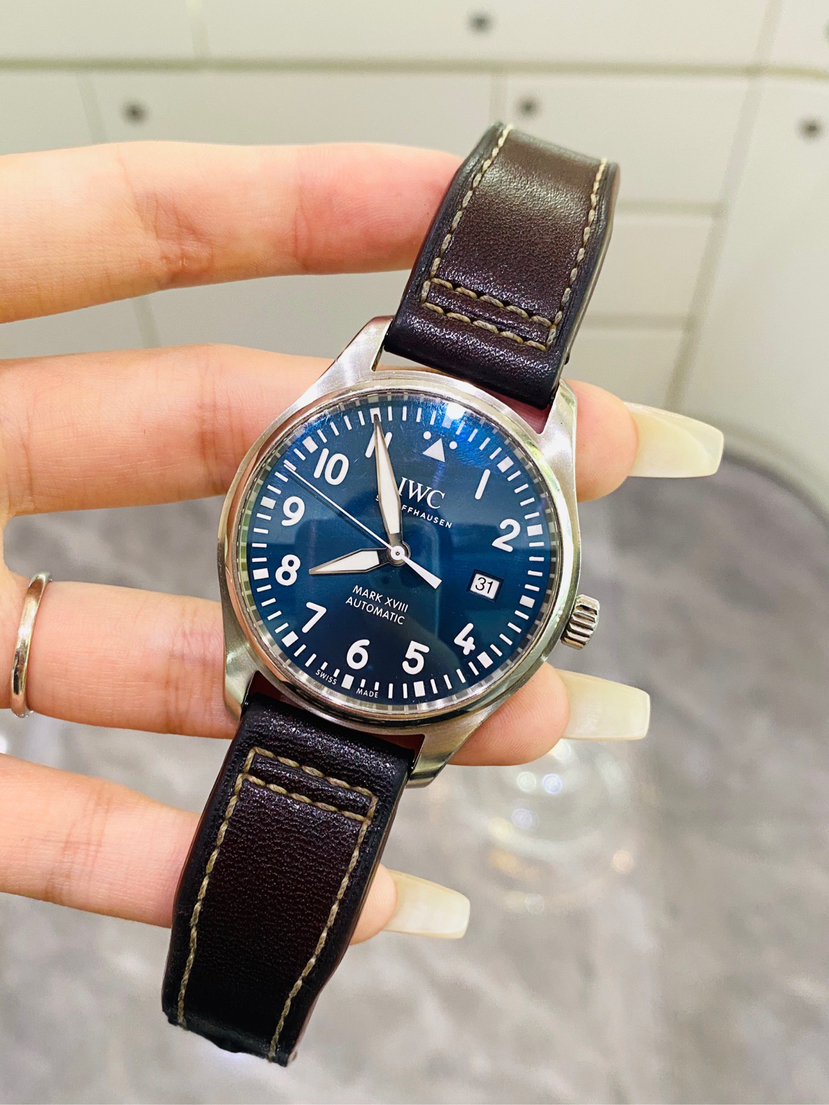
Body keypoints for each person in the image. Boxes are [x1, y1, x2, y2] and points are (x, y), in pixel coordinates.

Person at [0, 140, 722, 940]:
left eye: (413, 554)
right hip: (305, 663)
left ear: (560, 614)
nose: (400, 556)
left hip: (382, 688)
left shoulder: (486, 462)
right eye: (398, 550)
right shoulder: (359, 415)